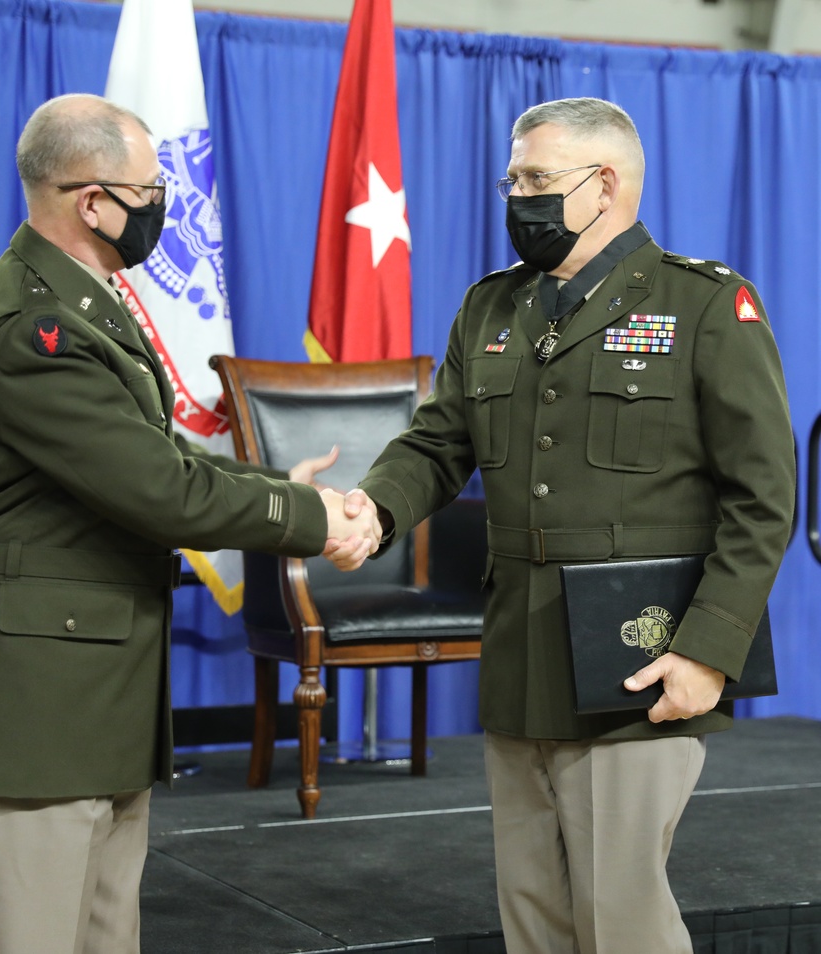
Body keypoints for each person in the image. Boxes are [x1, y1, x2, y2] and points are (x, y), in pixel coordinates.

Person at [0, 93, 378, 954]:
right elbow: (158, 490)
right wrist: (306, 515)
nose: (163, 206)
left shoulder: (85, 302)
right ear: (92, 201)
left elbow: (152, 457)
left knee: (103, 936)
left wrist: (272, 485)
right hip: (33, 698)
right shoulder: (35, 332)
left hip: (89, 682)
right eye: (151, 189)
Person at [328, 97, 795, 954]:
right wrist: (376, 506)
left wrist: (707, 652)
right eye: (514, 179)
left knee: (621, 920)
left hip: (639, 659)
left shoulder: (702, 305)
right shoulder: (491, 309)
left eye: (538, 179)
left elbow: (763, 496)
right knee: (533, 912)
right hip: (520, 651)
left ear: (605, 182)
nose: (518, 197)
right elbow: (437, 444)